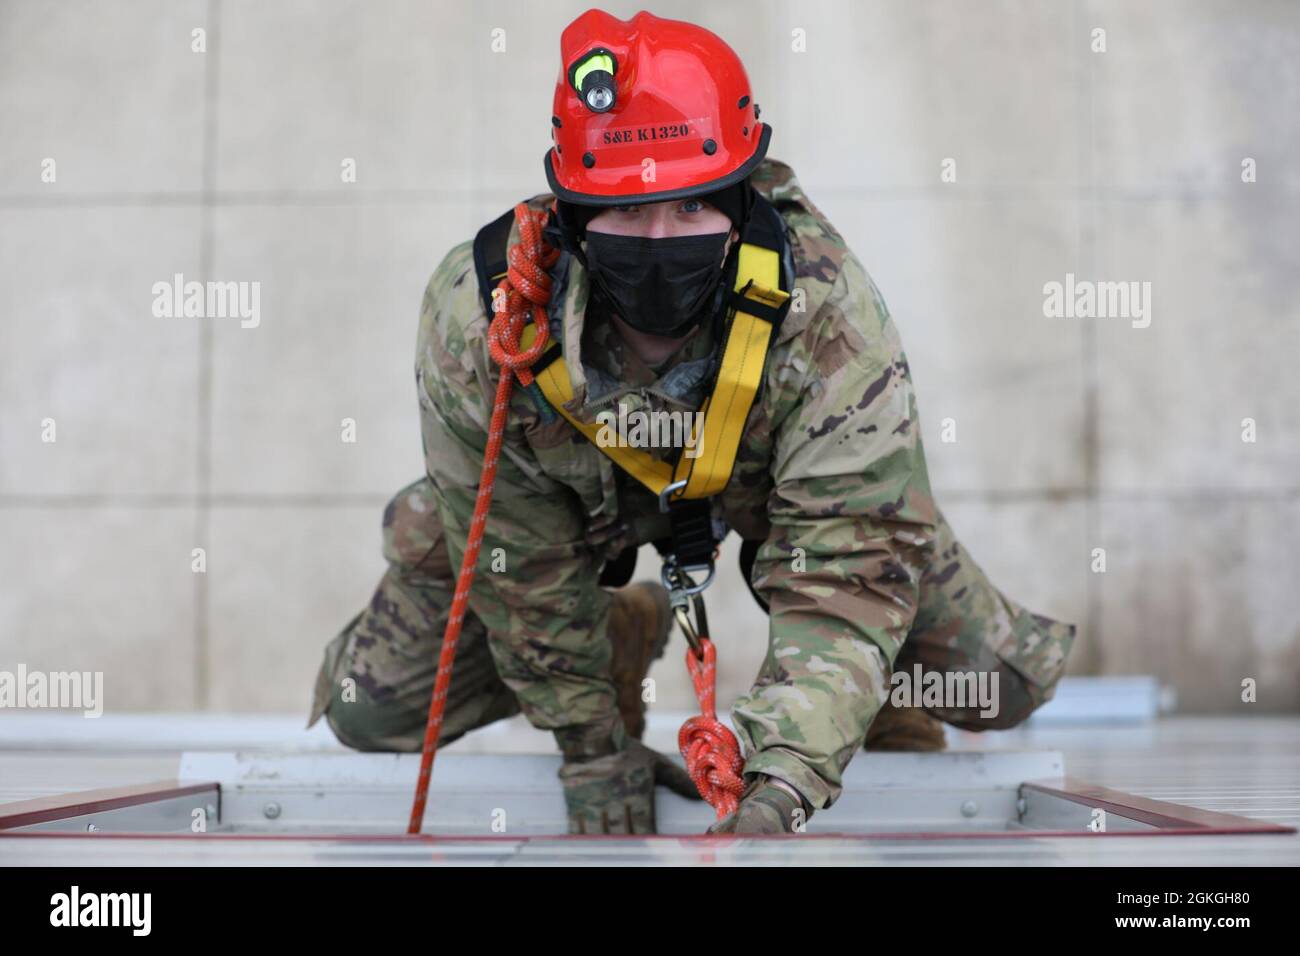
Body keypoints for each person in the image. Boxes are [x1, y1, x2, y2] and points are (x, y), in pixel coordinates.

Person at [309, 8, 1075, 835]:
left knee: (996, 686)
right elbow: (516, 564)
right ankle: (622, 637)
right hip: (573, 524)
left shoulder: (826, 314)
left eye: (689, 208)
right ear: (570, 212)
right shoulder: (486, 317)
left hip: (787, 512)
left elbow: (848, 567)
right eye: (627, 214)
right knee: (373, 708)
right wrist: (593, 746)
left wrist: (780, 785)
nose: (658, 237)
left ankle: (875, 694)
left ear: (741, 203)